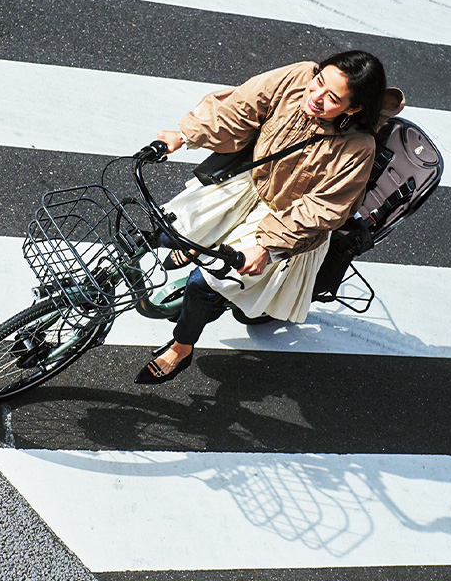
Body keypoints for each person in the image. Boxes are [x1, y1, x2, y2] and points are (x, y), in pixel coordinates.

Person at [134, 50, 403, 385]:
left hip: (284, 224)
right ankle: (191, 247)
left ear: (354, 108)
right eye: (318, 82)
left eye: (332, 98)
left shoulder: (358, 147)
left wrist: (265, 247)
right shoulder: (298, 76)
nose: (315, 96)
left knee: (203, 285)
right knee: (159, 229)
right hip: (249, 186)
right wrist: (185, 136)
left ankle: (182, 348)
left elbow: (319, 210)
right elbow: (242, 105)